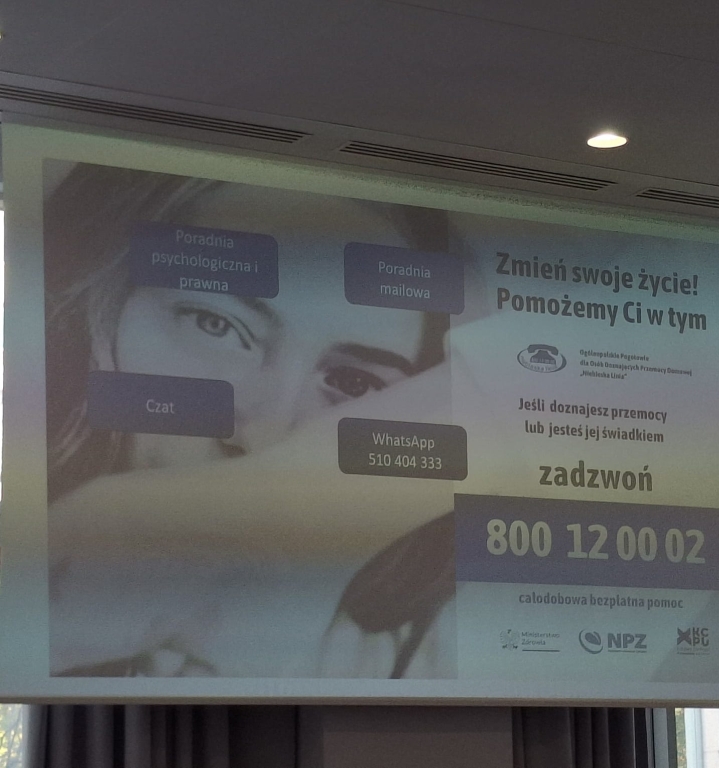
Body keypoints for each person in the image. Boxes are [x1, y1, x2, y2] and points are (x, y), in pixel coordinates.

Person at [45, 162, 457, 679]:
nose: (268, 435)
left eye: (354, 383)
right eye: (215, 325)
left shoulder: (402, 655)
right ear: (96, 312)